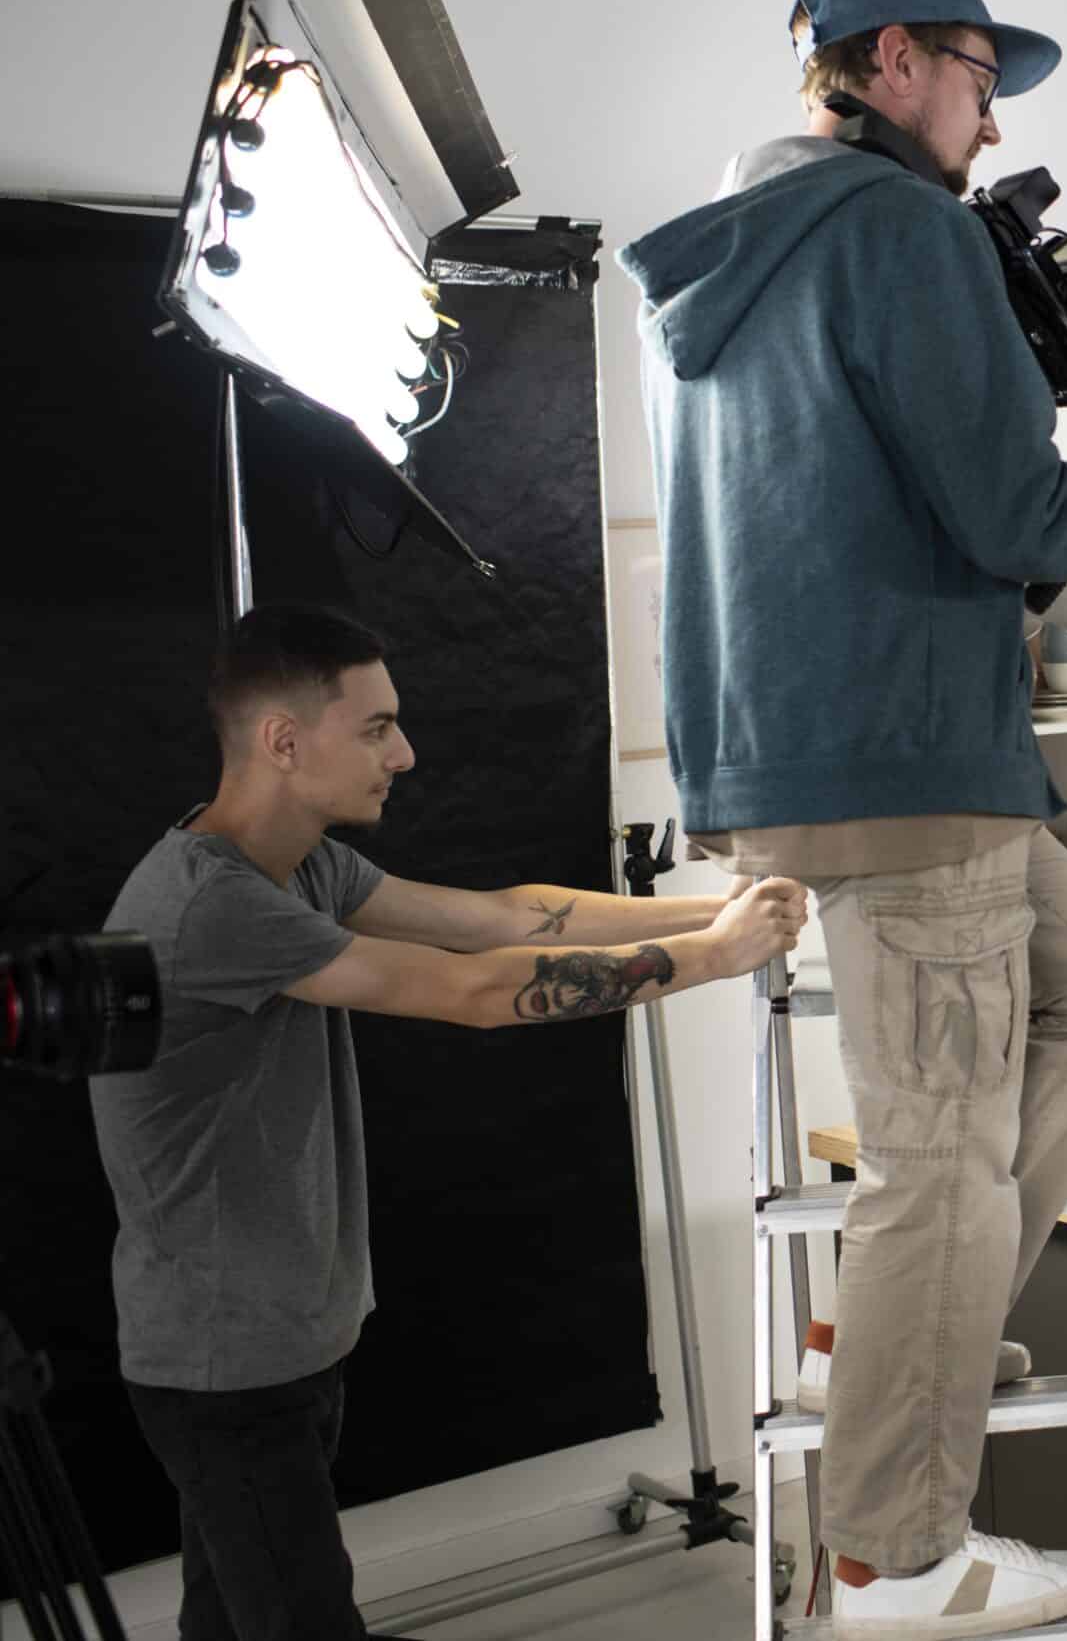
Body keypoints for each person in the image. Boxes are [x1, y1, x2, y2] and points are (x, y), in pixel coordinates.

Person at [615, 0, 1067, 1633]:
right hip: (916, 772)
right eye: (981, 79)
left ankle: (898, 1338)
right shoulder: (896, 231)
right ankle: (895, 1552)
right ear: (891, 61)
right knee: (939, 1163)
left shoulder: (740, 246)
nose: (991, 122)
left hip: (798, 753)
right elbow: (1016, 520)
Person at [95, 603, 805, 1641]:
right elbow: (466, 990)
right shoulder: (211, 906)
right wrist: (712, 958)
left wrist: (716, 909)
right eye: (377, 727)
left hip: (281, 1342)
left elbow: (502, 916)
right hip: (225, 1363)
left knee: (231, 1620)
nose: (407, 753)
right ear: (285, 742)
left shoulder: (303, 869)